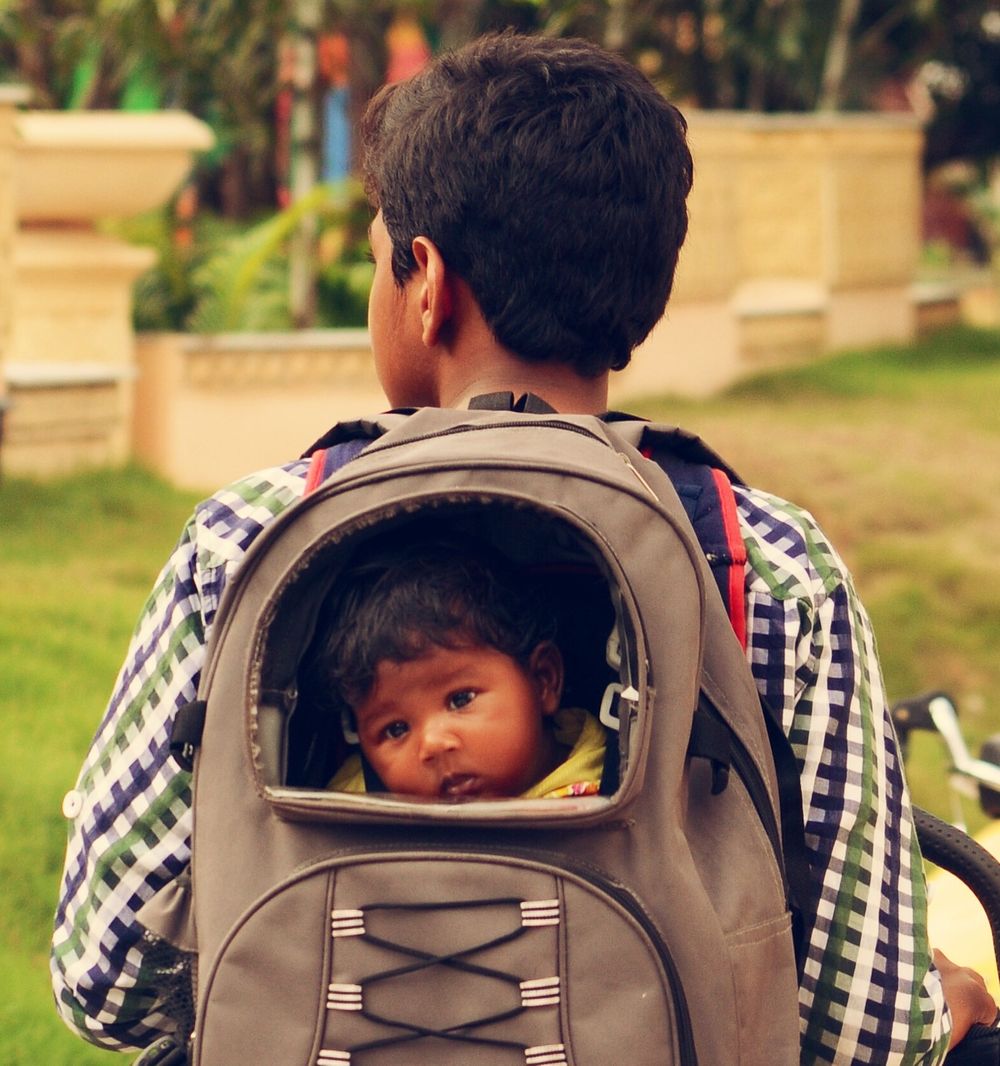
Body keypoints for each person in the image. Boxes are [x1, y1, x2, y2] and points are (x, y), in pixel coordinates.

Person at [51, 31, 993, 1062]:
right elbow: (864, 1035)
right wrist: (937, 1006)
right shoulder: (760, 561)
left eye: (376, 262)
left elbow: (108, 982)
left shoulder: (248, 538)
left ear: (427, 283)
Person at [302, 533, 605, 800]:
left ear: (542, 680)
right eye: (396, 729)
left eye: (461, 699)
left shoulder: (613, 785)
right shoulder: (350, 806)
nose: (432, 744)